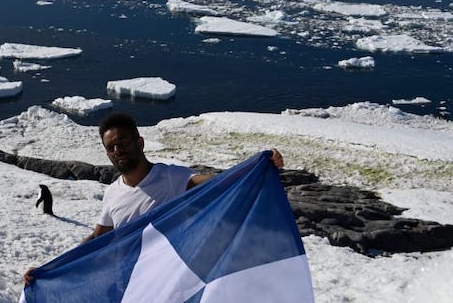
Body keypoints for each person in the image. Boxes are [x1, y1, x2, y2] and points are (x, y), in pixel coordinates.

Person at [24, 112, 283, 284]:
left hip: (168, 282)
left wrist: (257, 166)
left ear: (140, 143)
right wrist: (51, 270)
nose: (117, 151)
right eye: (111, 147)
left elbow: (212, 183)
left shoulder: (170, 177)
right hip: (127, 281)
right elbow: (97, 238)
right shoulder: (113, 192)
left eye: (123, 143)